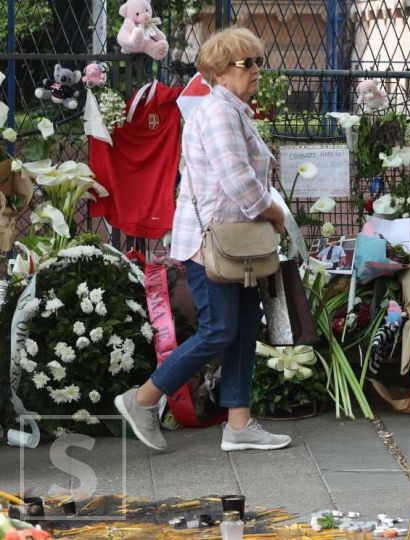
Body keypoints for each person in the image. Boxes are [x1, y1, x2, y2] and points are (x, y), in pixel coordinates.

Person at [114, 27, 291, 453]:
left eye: (258, 62)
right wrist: (275, 212)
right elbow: (239, 183)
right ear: (220, 71)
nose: (256, 71)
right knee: (219, 330)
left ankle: (239, 423)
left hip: (238, 244)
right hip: (213, 243)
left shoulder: (232, 111)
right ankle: (142, 399)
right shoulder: (217, 114)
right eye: (246, 63)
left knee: (244, 327)